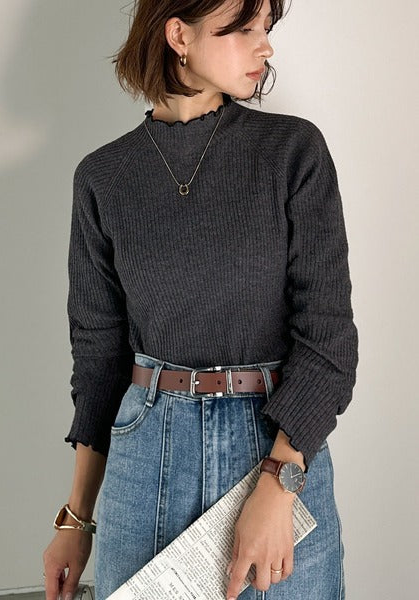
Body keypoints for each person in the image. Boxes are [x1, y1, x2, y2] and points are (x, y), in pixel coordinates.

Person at [43, 0, 358, 599]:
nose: (265, 46)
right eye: (243, 29)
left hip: (274, 444)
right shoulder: (103, 178)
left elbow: (329, 340)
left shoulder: (292, 152)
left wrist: (278, 482)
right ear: (178, 35)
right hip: (144, 455)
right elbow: (99, 361)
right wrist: (76, 519)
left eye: (267, 28)